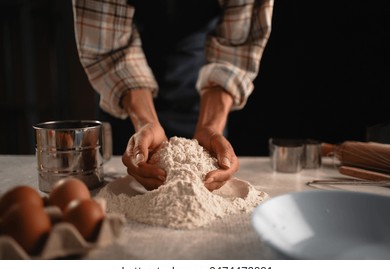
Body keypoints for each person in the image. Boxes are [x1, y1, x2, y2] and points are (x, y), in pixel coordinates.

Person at [72, 0, 273, 191]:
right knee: (135, 168)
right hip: (124, 86)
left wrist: (210, 127)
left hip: (197, 74)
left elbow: (235, 48)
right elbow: (111, 49)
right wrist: (144, 123)